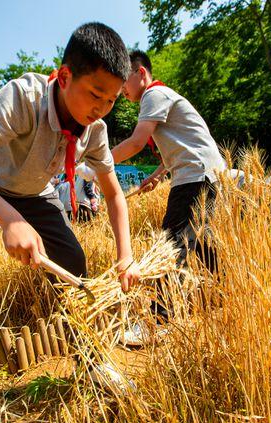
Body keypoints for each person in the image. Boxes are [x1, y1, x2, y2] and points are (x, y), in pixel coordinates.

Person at [0, 23, 139, 423]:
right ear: (65, 77)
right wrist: (10, 220)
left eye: (111, 100)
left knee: (74, 262)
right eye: (94, 94)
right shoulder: (22, 98)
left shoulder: (96, 131)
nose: (100, 108)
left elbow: (115, 197)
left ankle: (90, 358)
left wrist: (126, 255)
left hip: (37, 193)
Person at [110, 50, 225, 334]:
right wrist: (157, 176)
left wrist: (99, 162)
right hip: (205, 173)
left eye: (123, 81)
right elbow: (174, 150)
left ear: (140, 73)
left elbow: (136, 143)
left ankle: (158, 319)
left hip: (193, 176)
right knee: (200, 241)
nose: (120, 89)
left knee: (170, 245)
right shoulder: (162, 97)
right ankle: (229, 291)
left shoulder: (154, 95)